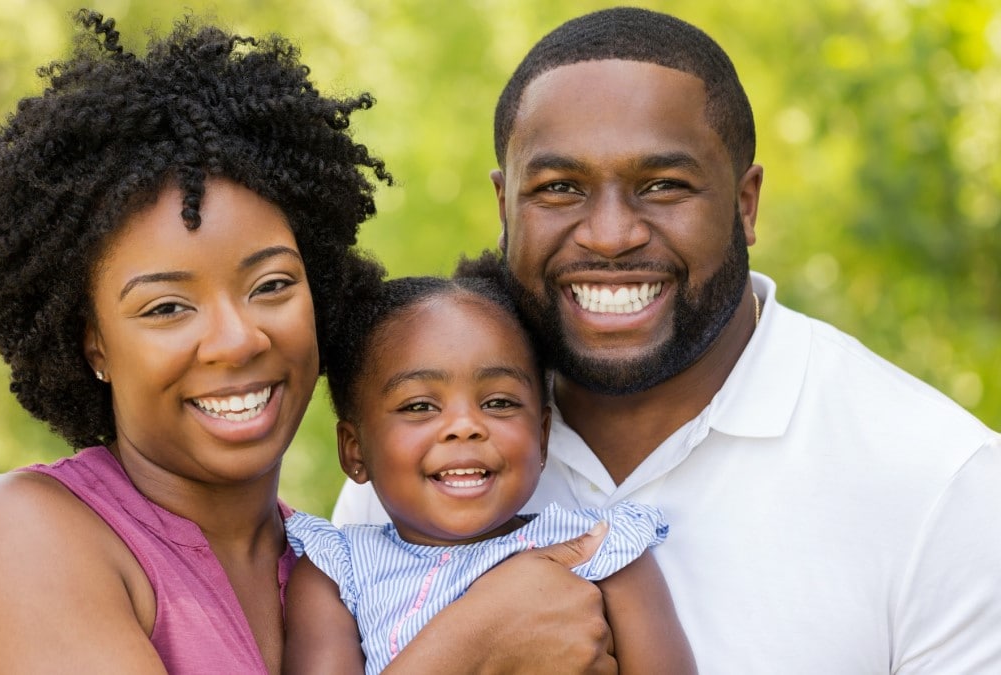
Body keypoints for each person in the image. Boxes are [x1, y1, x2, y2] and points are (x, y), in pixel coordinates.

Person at [0, 10, 621, 674]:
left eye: (272, 285)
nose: (236, 337)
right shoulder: (18, 536)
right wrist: (471, 641)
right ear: (94, 343)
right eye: (167, 306)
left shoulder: (343, 567)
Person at [333, 7, 1001, 674]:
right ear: (504, 207)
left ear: (745, 203)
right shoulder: (420, 442)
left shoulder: (941, 483)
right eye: (560, 188)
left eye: (662, 185)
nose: (611, 234)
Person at [283, 270, 695, 674]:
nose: (465, 425)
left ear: (542, 437)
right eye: (420, 406)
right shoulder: (336, 577)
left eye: (498, 402)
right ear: (355, 452)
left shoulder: (605, 555)